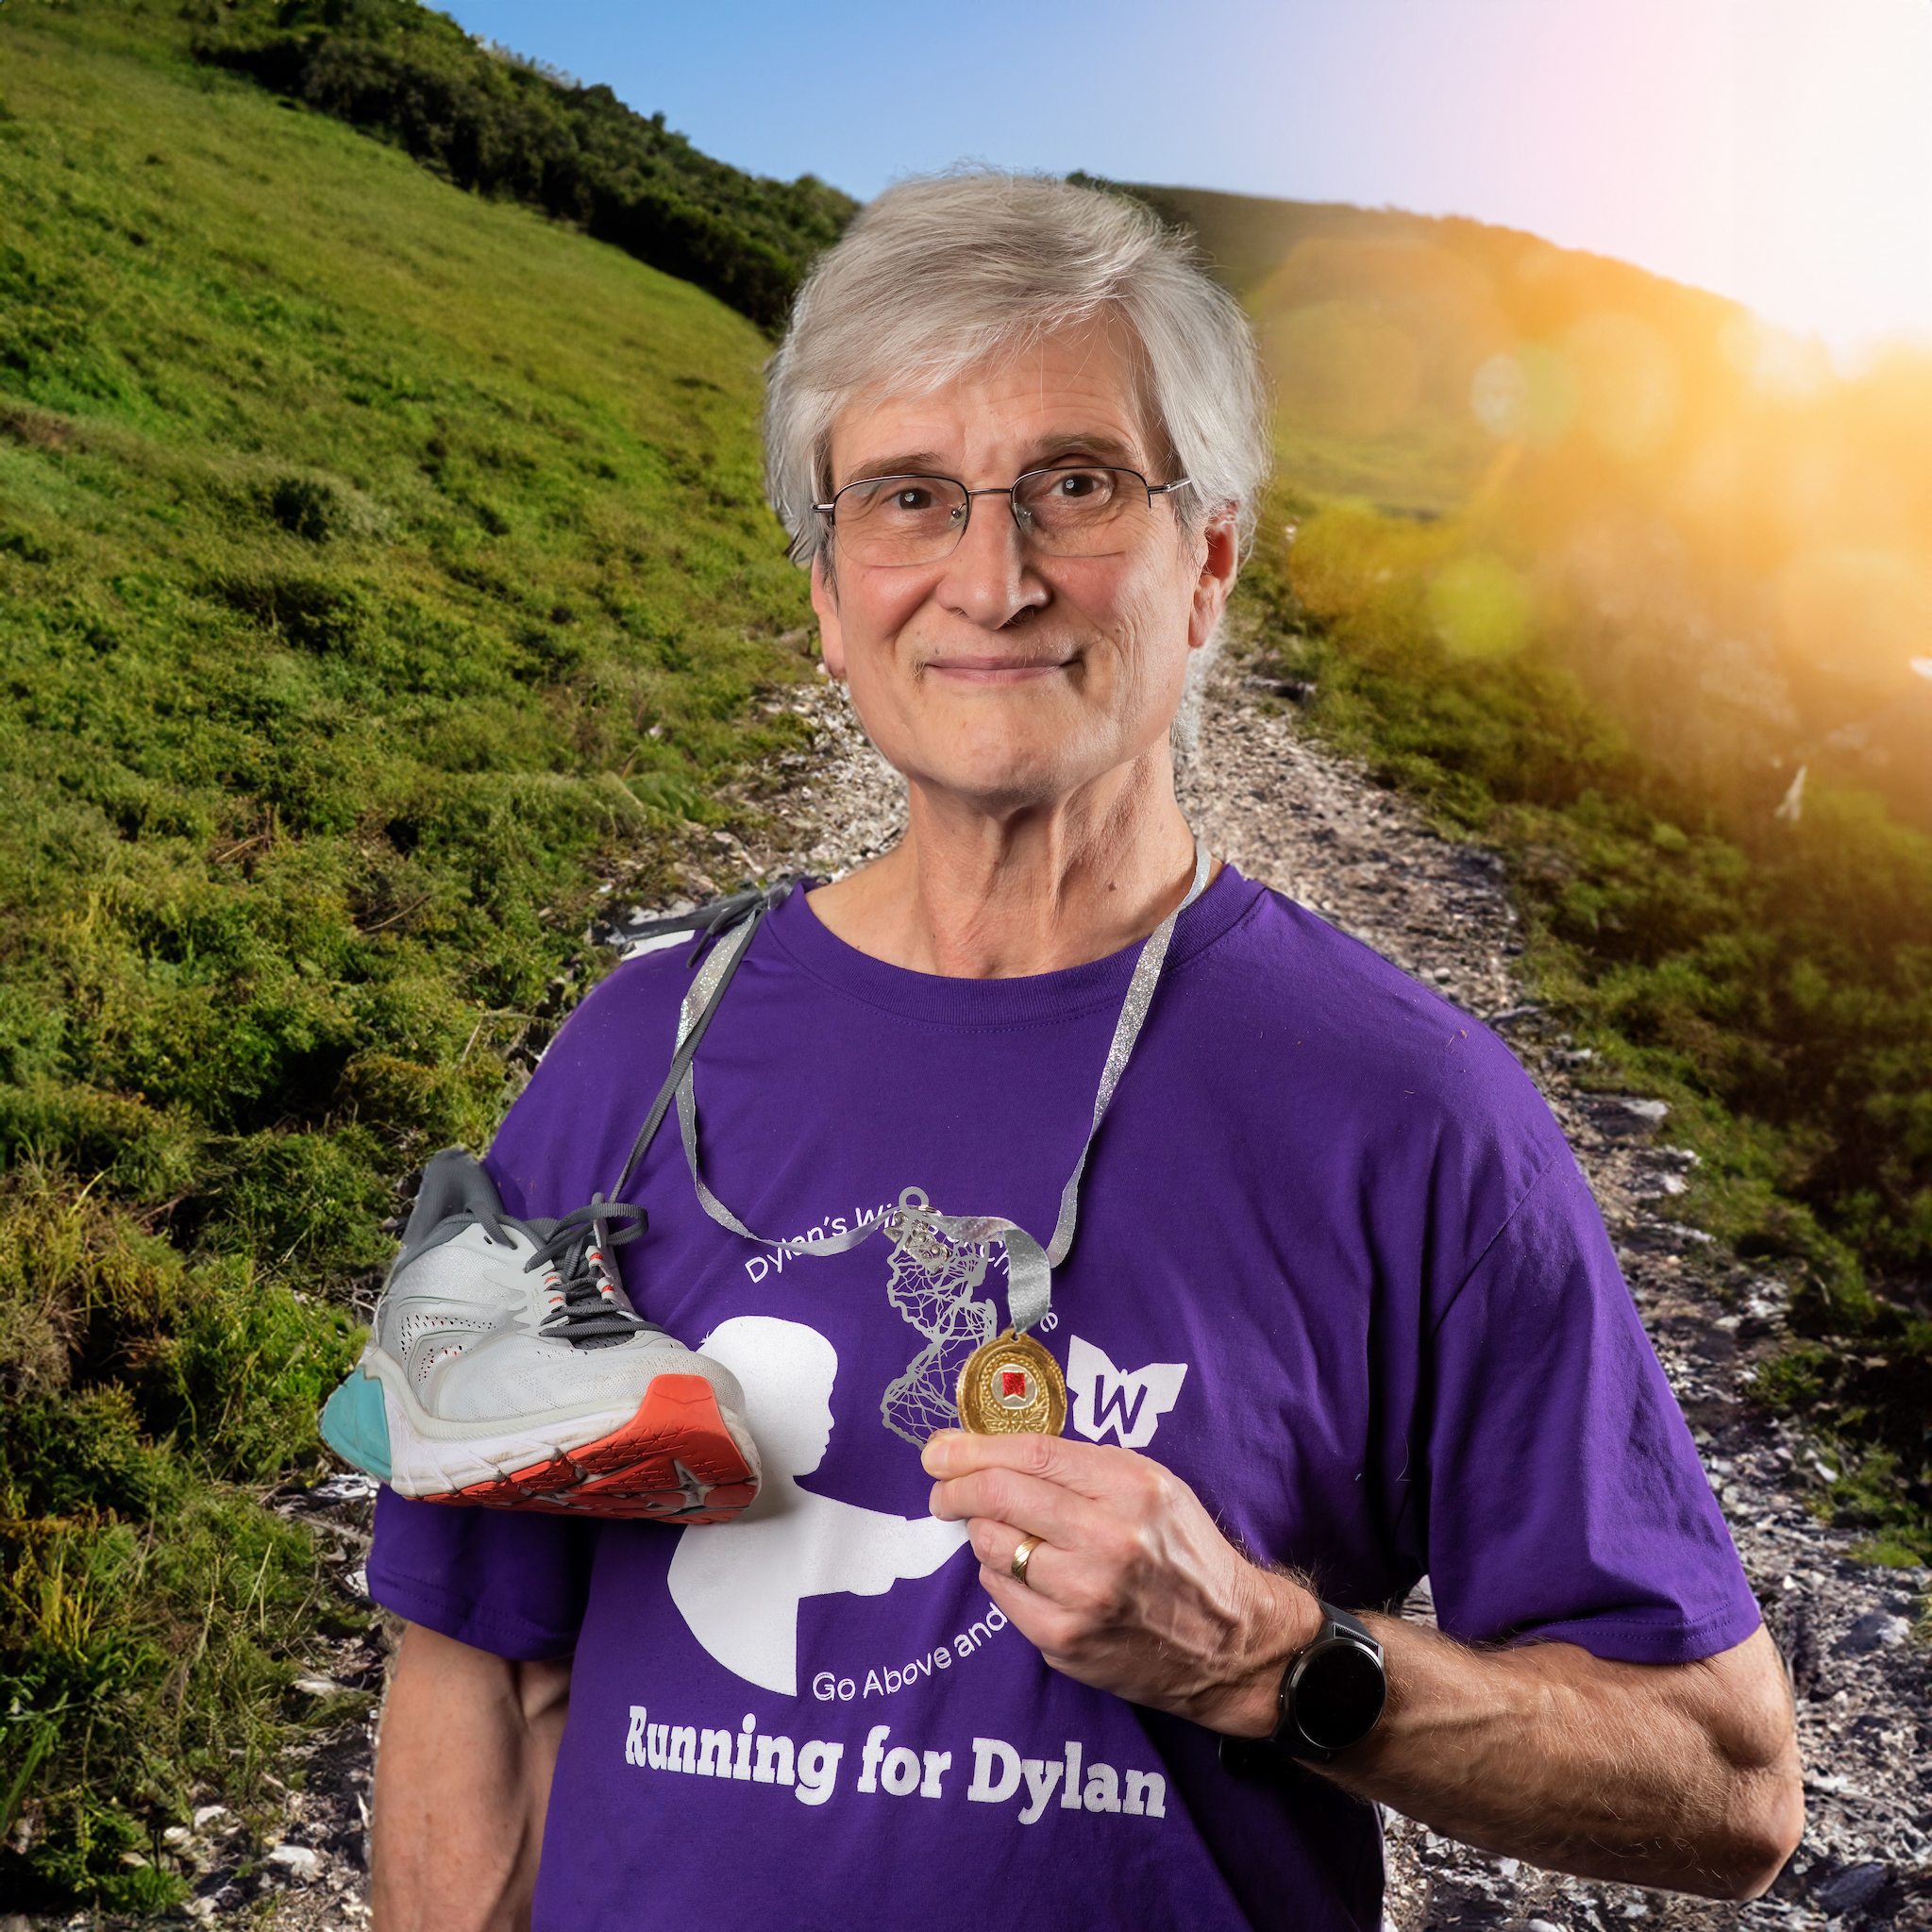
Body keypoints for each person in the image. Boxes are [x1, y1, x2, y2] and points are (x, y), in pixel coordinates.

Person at [364, 170, 1802, 1932]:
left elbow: (1729, 1783)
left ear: (1207, 560)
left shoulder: (1413, 1117)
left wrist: (1275, 1658)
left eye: (1075, 484)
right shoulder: (634, 1062)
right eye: (907, 497)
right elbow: (484, 1686)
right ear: (828, 592)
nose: (993, 576)